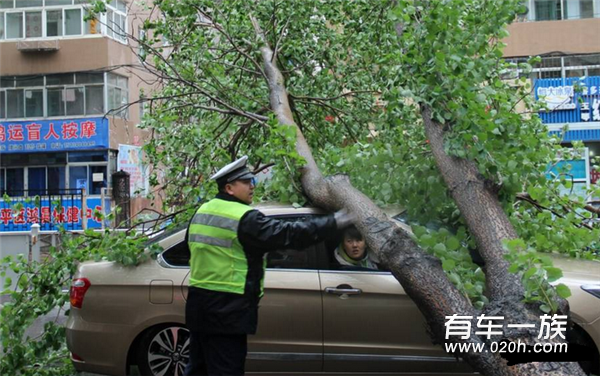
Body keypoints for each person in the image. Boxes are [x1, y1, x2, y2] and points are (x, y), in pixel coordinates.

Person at [184, 156, 354, 376]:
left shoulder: (203, 211)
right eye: (246, 182)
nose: (252, 186)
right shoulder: (244, 218)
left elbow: (192, 250)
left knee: (198, 369)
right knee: (226, 370)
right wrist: (333, 222)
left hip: (199, 307)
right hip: (227, 311)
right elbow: (289, 235)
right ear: (229, 188)